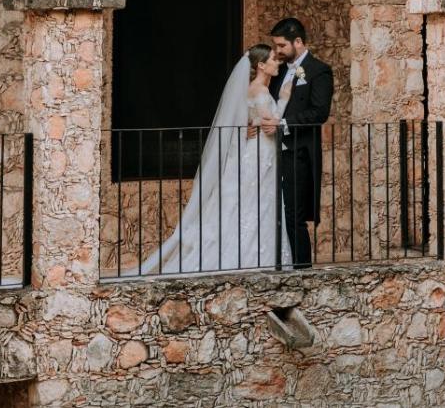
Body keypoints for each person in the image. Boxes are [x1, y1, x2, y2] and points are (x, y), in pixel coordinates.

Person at [138, 44, 292, 275]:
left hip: (259, 150)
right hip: (261, 153)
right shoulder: (260, 91)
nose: (277, 62)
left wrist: (250, 125)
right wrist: (284, 100)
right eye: (272, 58)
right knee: (258, 204)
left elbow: (250, 120)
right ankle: (253, 259)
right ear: (261, 65)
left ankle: (256, 256)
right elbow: (270, 123)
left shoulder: (251, 89)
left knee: (255, 204)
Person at [267, 18, 333, 268]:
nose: (277, 51)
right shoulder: (279, 71)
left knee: (294, 215)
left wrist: (283, 124)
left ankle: (302, 270)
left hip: (299, 153)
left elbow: (319, 112)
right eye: (275, 46)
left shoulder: (319, 70)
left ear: (298, 41)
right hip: (271, 151)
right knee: (275, 213)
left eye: (281, 45)